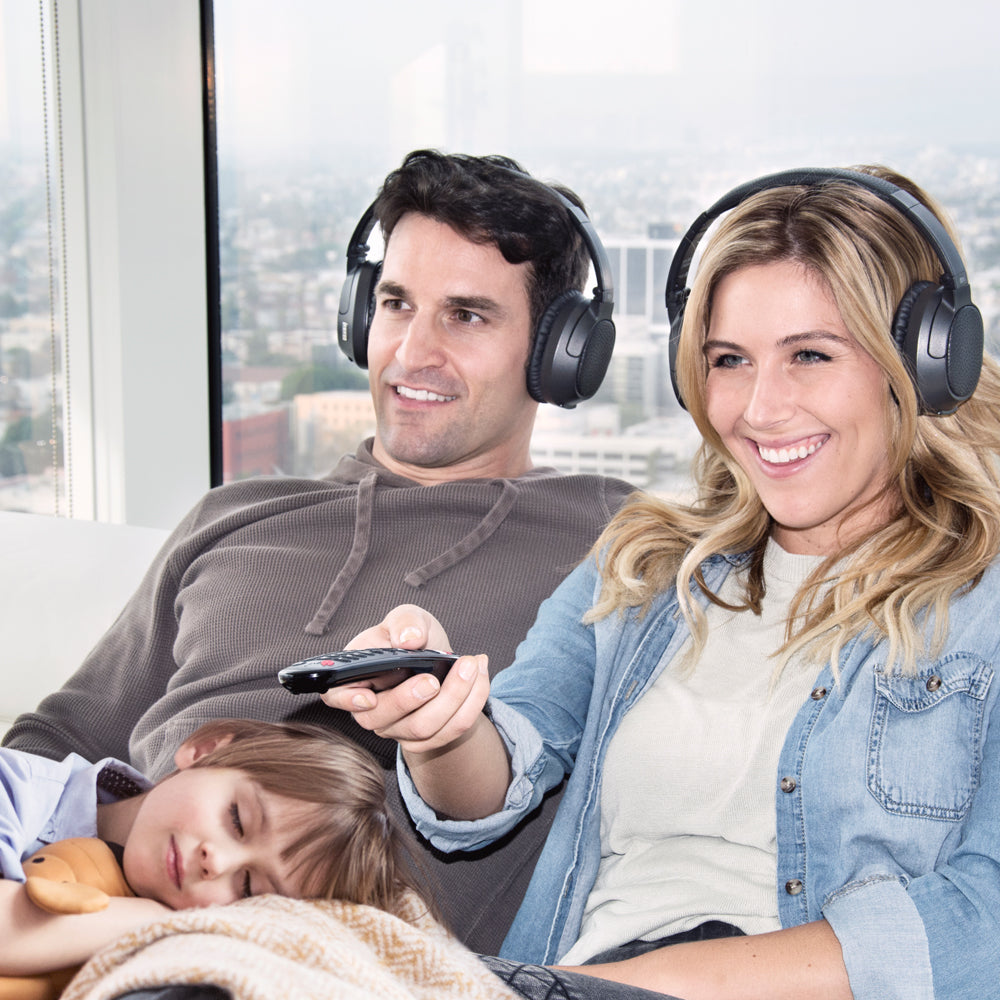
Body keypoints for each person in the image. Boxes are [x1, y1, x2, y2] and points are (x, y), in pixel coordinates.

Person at [326, 165, 1000, 1000]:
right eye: (729, 360)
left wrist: (627, 985)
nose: (759, 408)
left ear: (927, 362)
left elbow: (982, 923)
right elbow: (503, 775)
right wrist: (440, 728)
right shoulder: (644, 566)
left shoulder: (984, 608)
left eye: (811, 356)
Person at [2, 149, 635, 953]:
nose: (412, 352)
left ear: (559, 352)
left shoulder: (616, 541)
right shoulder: (237, 517)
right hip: (100, 919)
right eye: (397, 303)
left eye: (467, 315)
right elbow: (55, 746)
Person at [0, 718, 428, 979]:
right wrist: (147, 921)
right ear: (206, 750)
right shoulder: (18, 787)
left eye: (246, 888)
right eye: (238, 820)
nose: (216, 861)